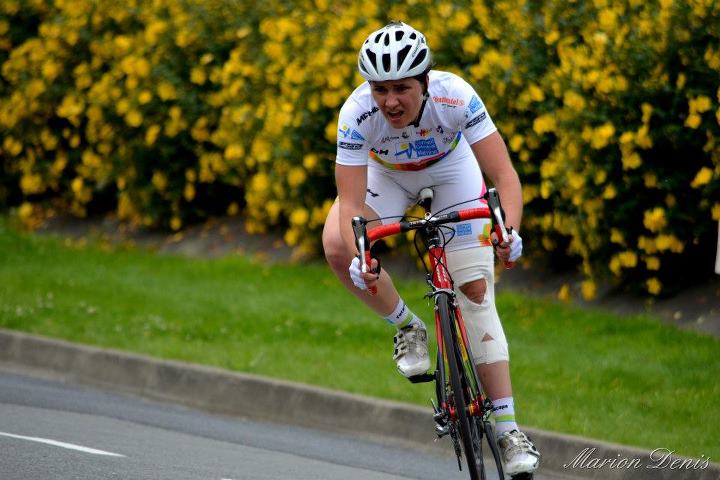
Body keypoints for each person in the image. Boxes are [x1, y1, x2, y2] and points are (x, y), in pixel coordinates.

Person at [322, 21, 540, 477]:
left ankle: (507, 428)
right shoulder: (356, 113)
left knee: (476, 292)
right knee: (338, 245)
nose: (390, 101)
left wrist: (508, 232)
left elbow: (505, 178)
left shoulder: (455, 96)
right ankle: (408, 326)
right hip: (388, 176)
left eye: (402, 88)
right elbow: (352, 202)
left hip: (449, 169)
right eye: (380, 89)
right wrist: (363, 254)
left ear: (425, 81)